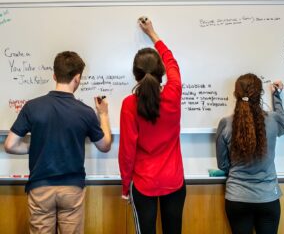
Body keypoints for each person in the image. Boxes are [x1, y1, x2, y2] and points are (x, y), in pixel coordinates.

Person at [4, 51, 112, 234]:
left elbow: (10, 145)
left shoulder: (33, 106)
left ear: (54, 75)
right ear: (77, 78)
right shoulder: (85, 112)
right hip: (72, 189)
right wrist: (103, 115)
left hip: (40, 188)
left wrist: (37, 146)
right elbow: (105, 145)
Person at [118, 17, 186, 234]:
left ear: (135, 75)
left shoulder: (129, 104)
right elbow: (172, 60)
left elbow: (127, 151)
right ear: (162, 72)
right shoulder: (173, 93)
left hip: (143, 183)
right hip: (174, 181)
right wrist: (153, 34)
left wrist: (125, 185)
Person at [216, 73, 284, 234]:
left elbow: (222, 164)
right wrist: (276, 96)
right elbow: (283, 126)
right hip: (268, 198)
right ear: (260, 93)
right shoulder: (273, 120)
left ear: (236, 94)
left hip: (237, 198)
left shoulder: (225, 123)